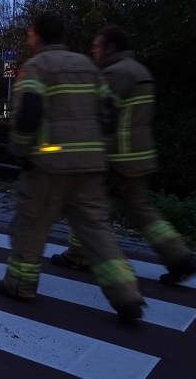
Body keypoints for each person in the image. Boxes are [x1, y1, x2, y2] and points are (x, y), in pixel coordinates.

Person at [0, 13, 146, 324]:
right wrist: (98, 144)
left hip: (49, 164)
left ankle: (19, 285)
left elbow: (29, 112)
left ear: (36, 36)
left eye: (30, 34)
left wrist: (21, 150)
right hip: (90, 164)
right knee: (96, 230)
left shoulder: (36, 67)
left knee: (31, 225)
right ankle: (127, 295)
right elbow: (109, 110)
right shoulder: (89, 67)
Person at [50, 26, 196, 284]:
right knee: (142, 211)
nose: (93, 51)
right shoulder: (140, 70)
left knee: (86, 207)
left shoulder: (114, 74)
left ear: (110, 48)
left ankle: (79, 255)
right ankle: (179, 256)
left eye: (97, 46)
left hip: (116, 157)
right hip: (141, 154)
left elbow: (102, 116)